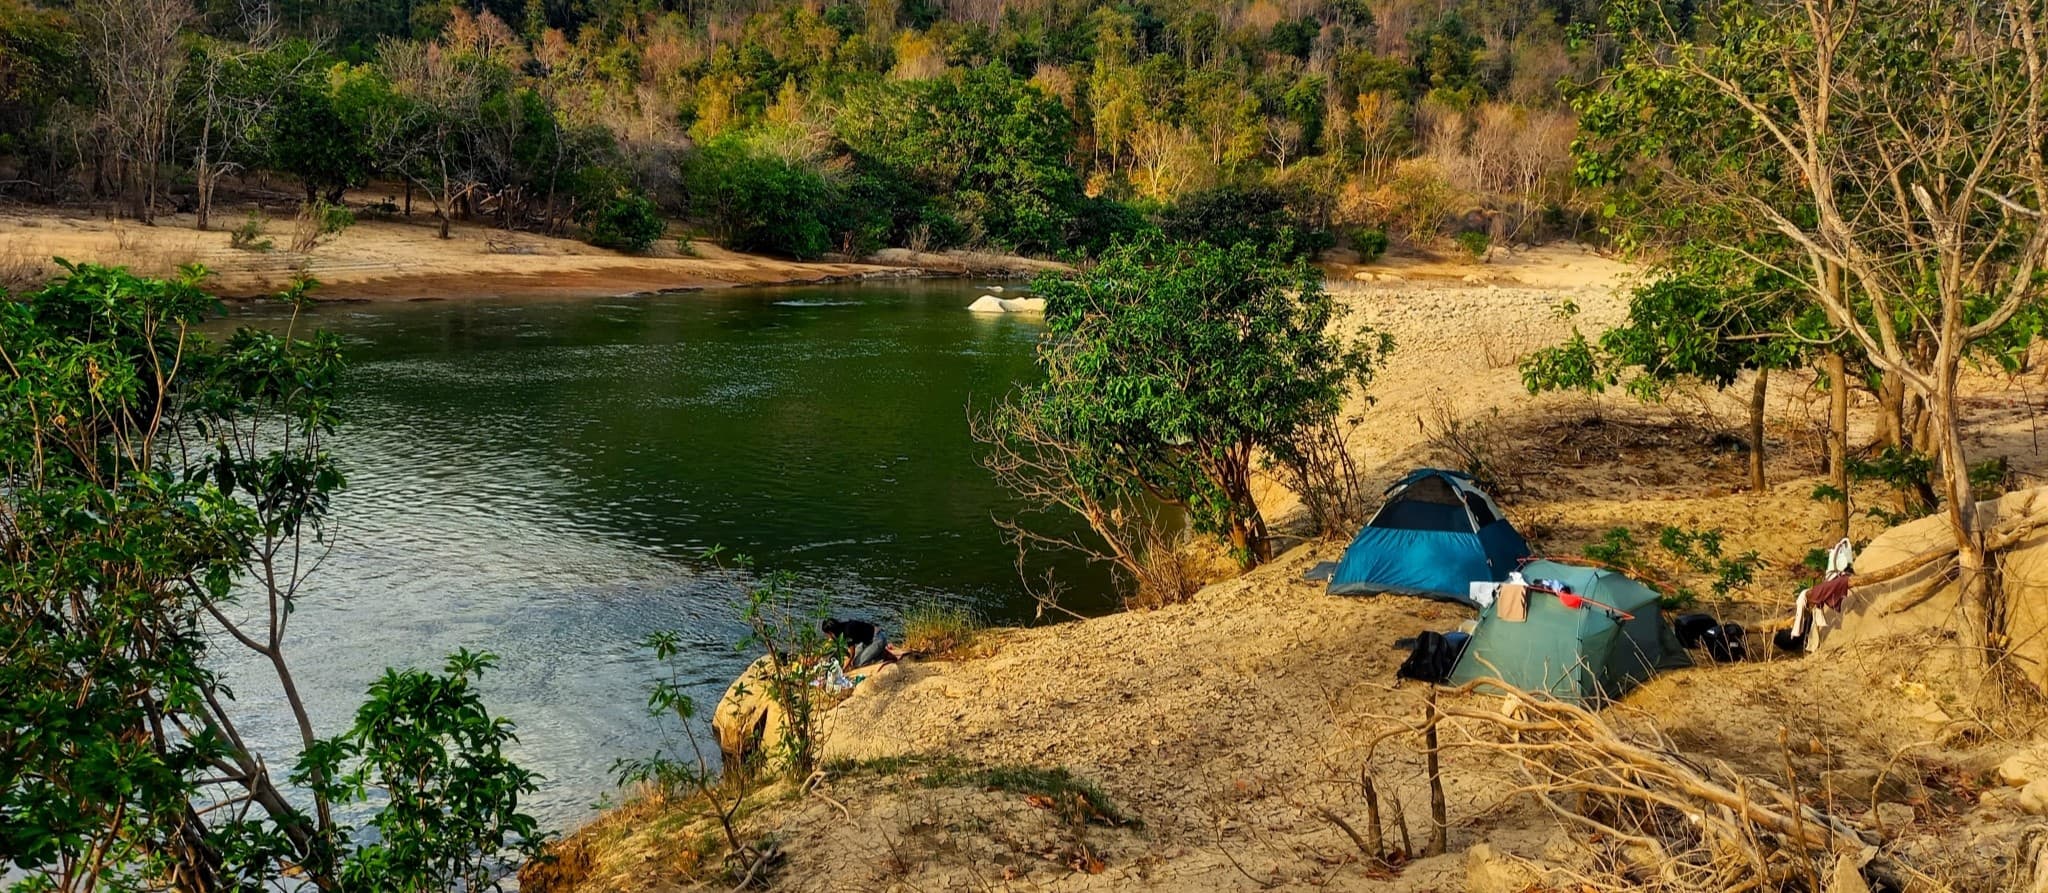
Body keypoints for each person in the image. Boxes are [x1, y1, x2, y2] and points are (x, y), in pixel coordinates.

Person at [822, 617, 894, 668]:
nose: (828, 636)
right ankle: (879, 651)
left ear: (831, 632)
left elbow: (851, 654)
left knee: (857, 663)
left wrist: (843, 670)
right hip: (868, 641)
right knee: (852, 660)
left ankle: (882, 655)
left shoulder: (847, 632)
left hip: (878, 639)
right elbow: (829, 643)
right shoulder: (841, 628)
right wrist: (818, 654)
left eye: (827, 634)